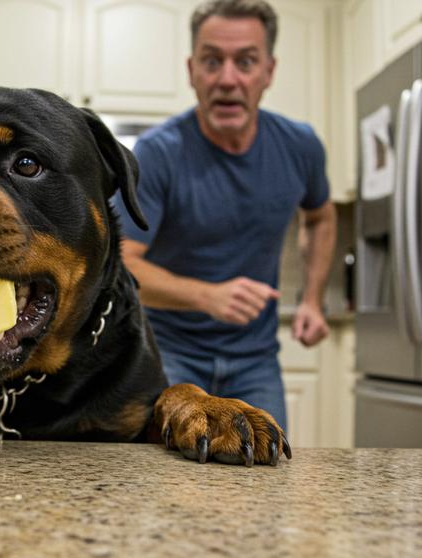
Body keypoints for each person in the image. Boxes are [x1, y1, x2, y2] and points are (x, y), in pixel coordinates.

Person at [112, 0, 337, 430]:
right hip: (169, 354)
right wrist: (207, 296)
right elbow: (122, 267)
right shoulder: (159, 153)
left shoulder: (300, 145)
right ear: (191, 69)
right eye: (212, 61)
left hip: (257, 361)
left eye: (246, 61)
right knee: (173, 485)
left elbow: (321, 217)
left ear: (268, 72)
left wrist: (312, 300)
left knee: (266, 481)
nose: (228, 79)